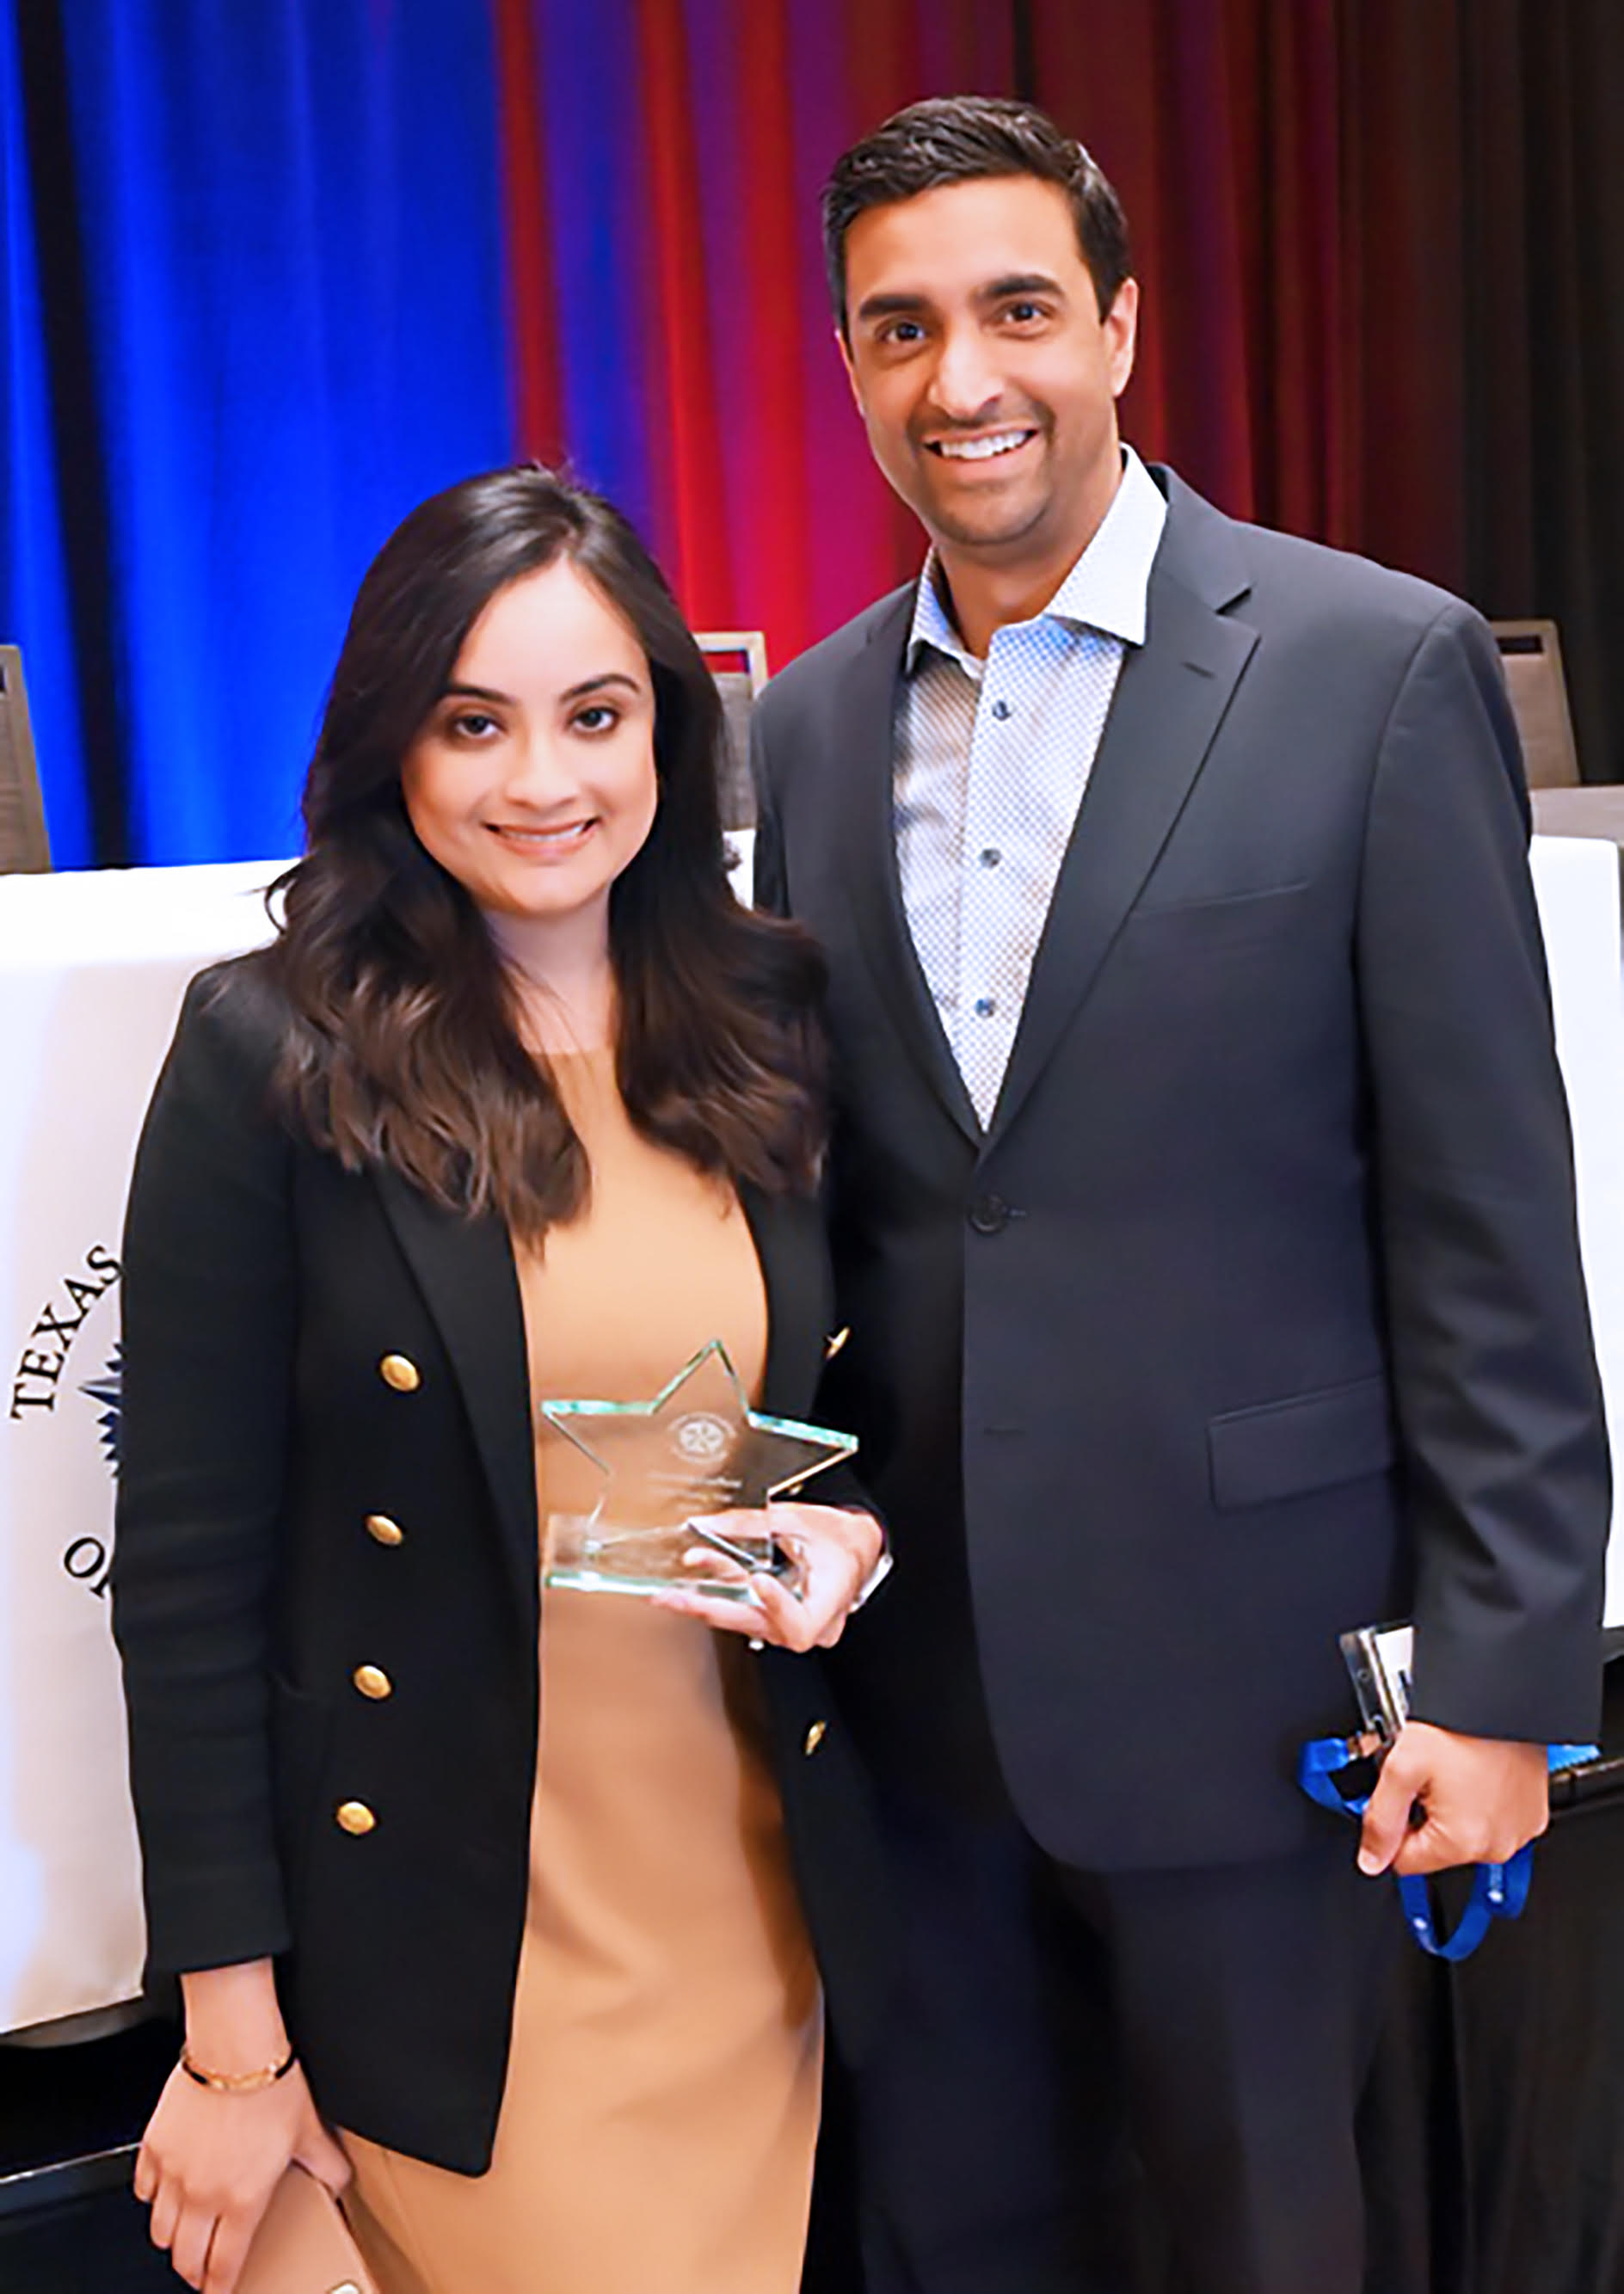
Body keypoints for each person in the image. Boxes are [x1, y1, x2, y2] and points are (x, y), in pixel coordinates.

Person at [750, 94, 1610, 2294]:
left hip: (1267, 1712)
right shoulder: (808, 728)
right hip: (921, 1716)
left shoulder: (1366, 666)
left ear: (1123, 326)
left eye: (1017, 309)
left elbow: (1485, 1223)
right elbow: (845, 1222)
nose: (961, 380)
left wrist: (1502, 1675)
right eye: (899, 328)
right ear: (846, 365)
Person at [111, 465, 889, 2294]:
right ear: (395, 743)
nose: (543, 779)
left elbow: (848, 1417)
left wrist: (841, 1532)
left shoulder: (770, 1017)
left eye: (593, 715)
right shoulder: (270, 1049)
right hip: (444, 1953)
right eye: (477, 722)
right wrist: (231, 2034)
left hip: (744, 1919)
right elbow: (187, 1581)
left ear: (668, 736)